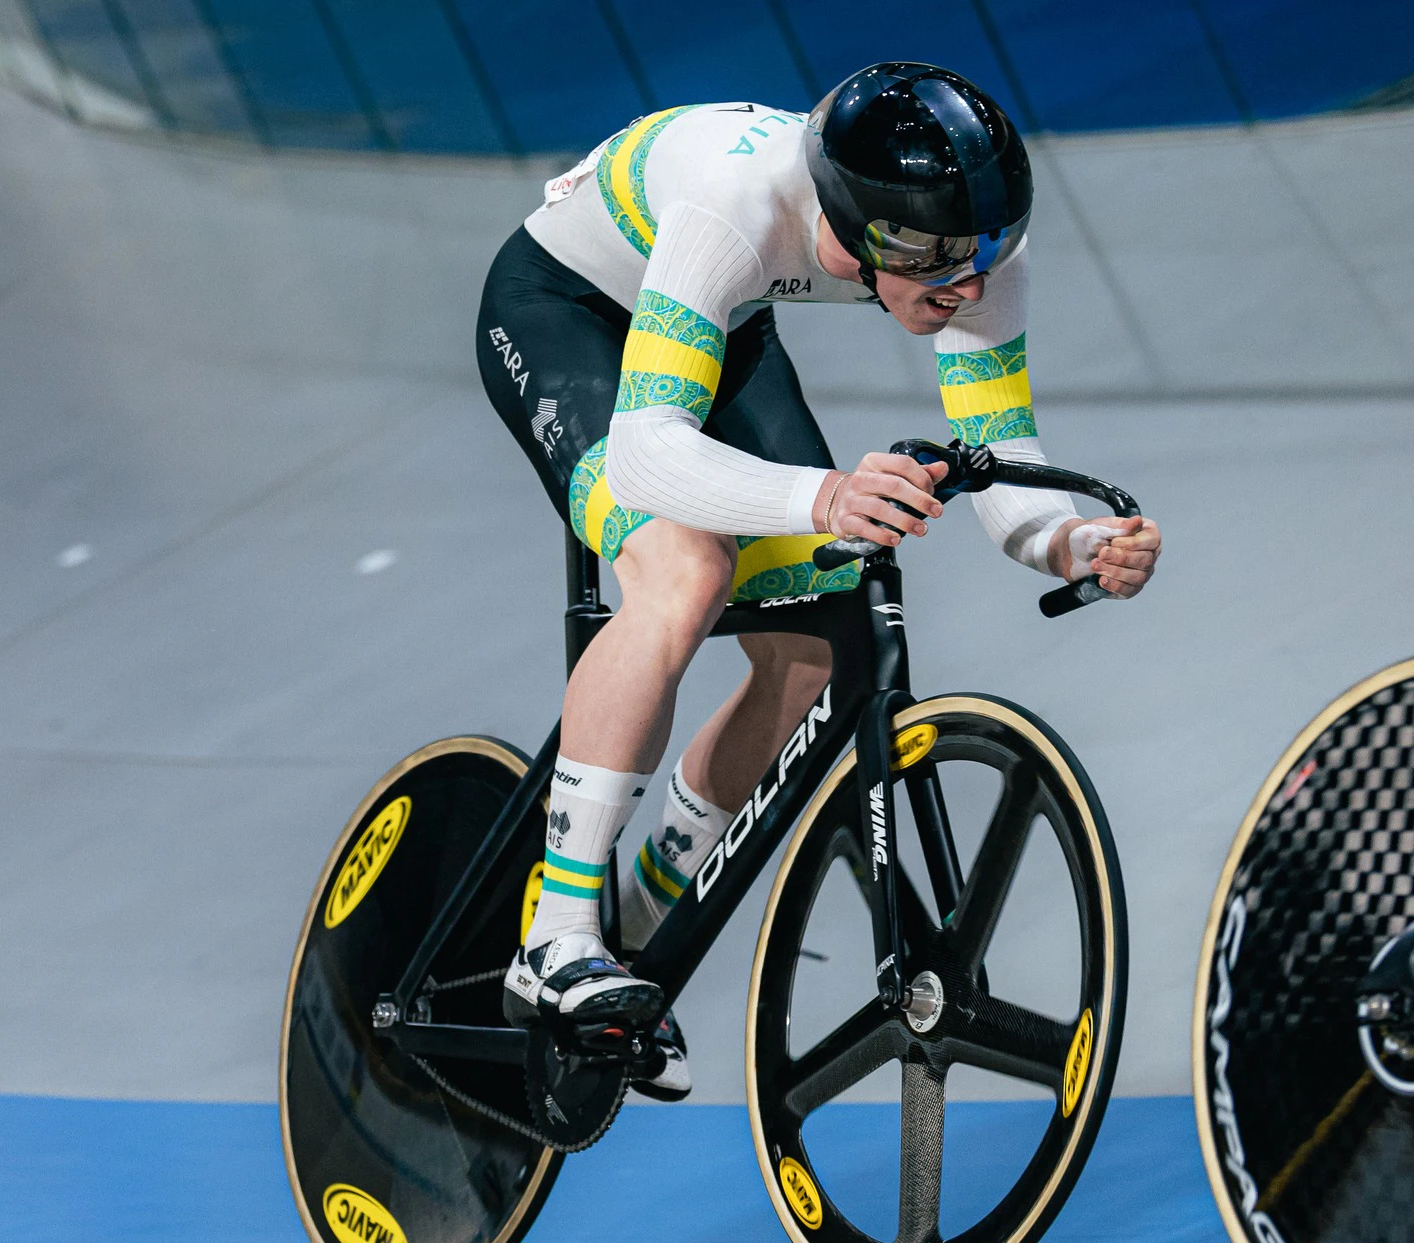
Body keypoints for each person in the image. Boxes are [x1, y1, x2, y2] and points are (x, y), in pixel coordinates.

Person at [474, 64, 1162, 1102]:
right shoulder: (735, 207)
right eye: (931, 263)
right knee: (684, 569)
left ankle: (648, 926)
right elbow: (651, 454)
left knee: (815, 645)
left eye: (981, 255)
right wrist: (826, 496)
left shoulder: (965, 241)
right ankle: (559, 932)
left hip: (716, 325)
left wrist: (1073, 544)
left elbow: (996, 452)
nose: (963, 287)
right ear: (853, 224)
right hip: (565, 311)